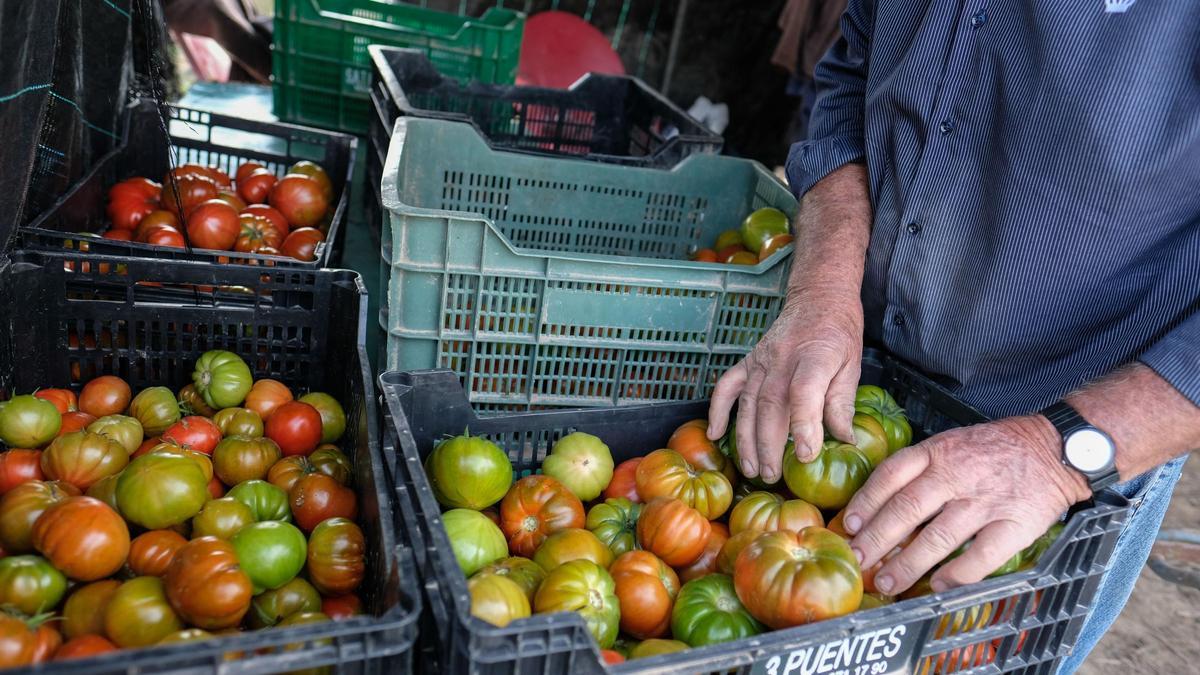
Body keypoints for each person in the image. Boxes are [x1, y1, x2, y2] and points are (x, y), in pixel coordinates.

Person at [707, 2, 1198, 671]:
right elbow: (852, 80)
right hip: (867, 391)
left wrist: (1058, 454)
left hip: (1074, 445)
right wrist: (823, 288)